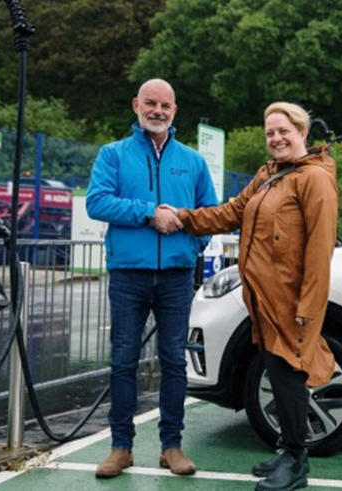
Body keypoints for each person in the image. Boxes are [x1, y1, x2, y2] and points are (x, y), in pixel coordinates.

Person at [157, 102, 338, 491]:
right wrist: (186, 218)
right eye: (269, 133)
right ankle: (287, 448)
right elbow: (231, 212)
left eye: (283, 131)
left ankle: (296, 461)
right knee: (277, 371)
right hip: (263, 299)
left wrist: (309, 307)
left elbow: (320, 251)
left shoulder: (314, 180)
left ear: (302, 132)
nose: (276, 139)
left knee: (289, 375)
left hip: (290, 301)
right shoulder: (269, 175)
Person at [86, 78, 218, 478]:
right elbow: (97, 201)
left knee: (174, 362)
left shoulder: (192, 162)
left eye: (165, 105)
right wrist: (149, 213)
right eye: (150, 103)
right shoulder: (113, 155)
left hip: (177, 277)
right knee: (123, 361)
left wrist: (189, 248)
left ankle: (171, 446)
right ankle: (121, 447)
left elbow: (209, 215)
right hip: (128, 275)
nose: (157, 111)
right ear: (136, 106)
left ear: (174, 111)